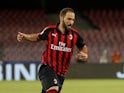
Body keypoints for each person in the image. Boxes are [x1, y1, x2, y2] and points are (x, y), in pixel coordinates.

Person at [17, 7, 88, 93]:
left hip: (61, 74)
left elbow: (83, 46)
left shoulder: (75, 35)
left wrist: (84, 54)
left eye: (73, 20)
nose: (71, 22)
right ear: (61, 18)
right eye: (69, 19)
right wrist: (25, 36)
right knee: (53, 89)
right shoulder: (50, 30)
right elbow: (37, 37)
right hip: (47, 68)